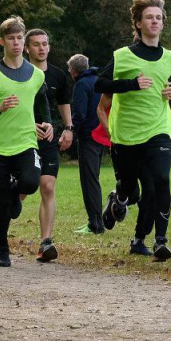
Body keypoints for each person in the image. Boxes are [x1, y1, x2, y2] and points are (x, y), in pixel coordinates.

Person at [94, 0, 171, 261]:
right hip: (126, 134)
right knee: (132, 189)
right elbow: (100, 84)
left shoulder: (169, 57)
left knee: (159, 182)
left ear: (163, 23)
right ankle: (119, 198)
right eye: (149, 17)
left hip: (158, 129)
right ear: (138, 23)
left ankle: (157, 241)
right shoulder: (122, 56)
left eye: (158, 18)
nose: (154, 21)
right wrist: (130, 85)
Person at [0, 16, 53, 267]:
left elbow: (41, 100)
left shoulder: (36, 74)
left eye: (20, 38)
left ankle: (15, 191)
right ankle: (2, 248)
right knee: (2, 202)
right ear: (2, 42)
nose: (17, 43)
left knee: (31, 182)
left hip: (25, 142)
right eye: (11, 38)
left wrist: (47, 122)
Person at [23, 29, 73, 262]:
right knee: (22, 191)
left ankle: (46, 242)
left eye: (44, 44)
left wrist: (68, 128)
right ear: (27, 48)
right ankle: (3, 228)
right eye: (36, 44)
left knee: (48, 186)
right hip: (22, 138)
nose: (41, 48)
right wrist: (28, 125)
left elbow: (63, 103)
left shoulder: (58, 75)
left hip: (48, 138)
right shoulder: (19, 73)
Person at [68, 54, 106, 234]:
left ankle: (95, 224)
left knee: (89, 181)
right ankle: (97, 221)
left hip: (88, 137)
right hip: (101, 136)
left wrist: (71, 130)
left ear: (73, 71)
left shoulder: (81, 85)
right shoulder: (99, 81)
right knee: (94, 179)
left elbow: (80, 114)